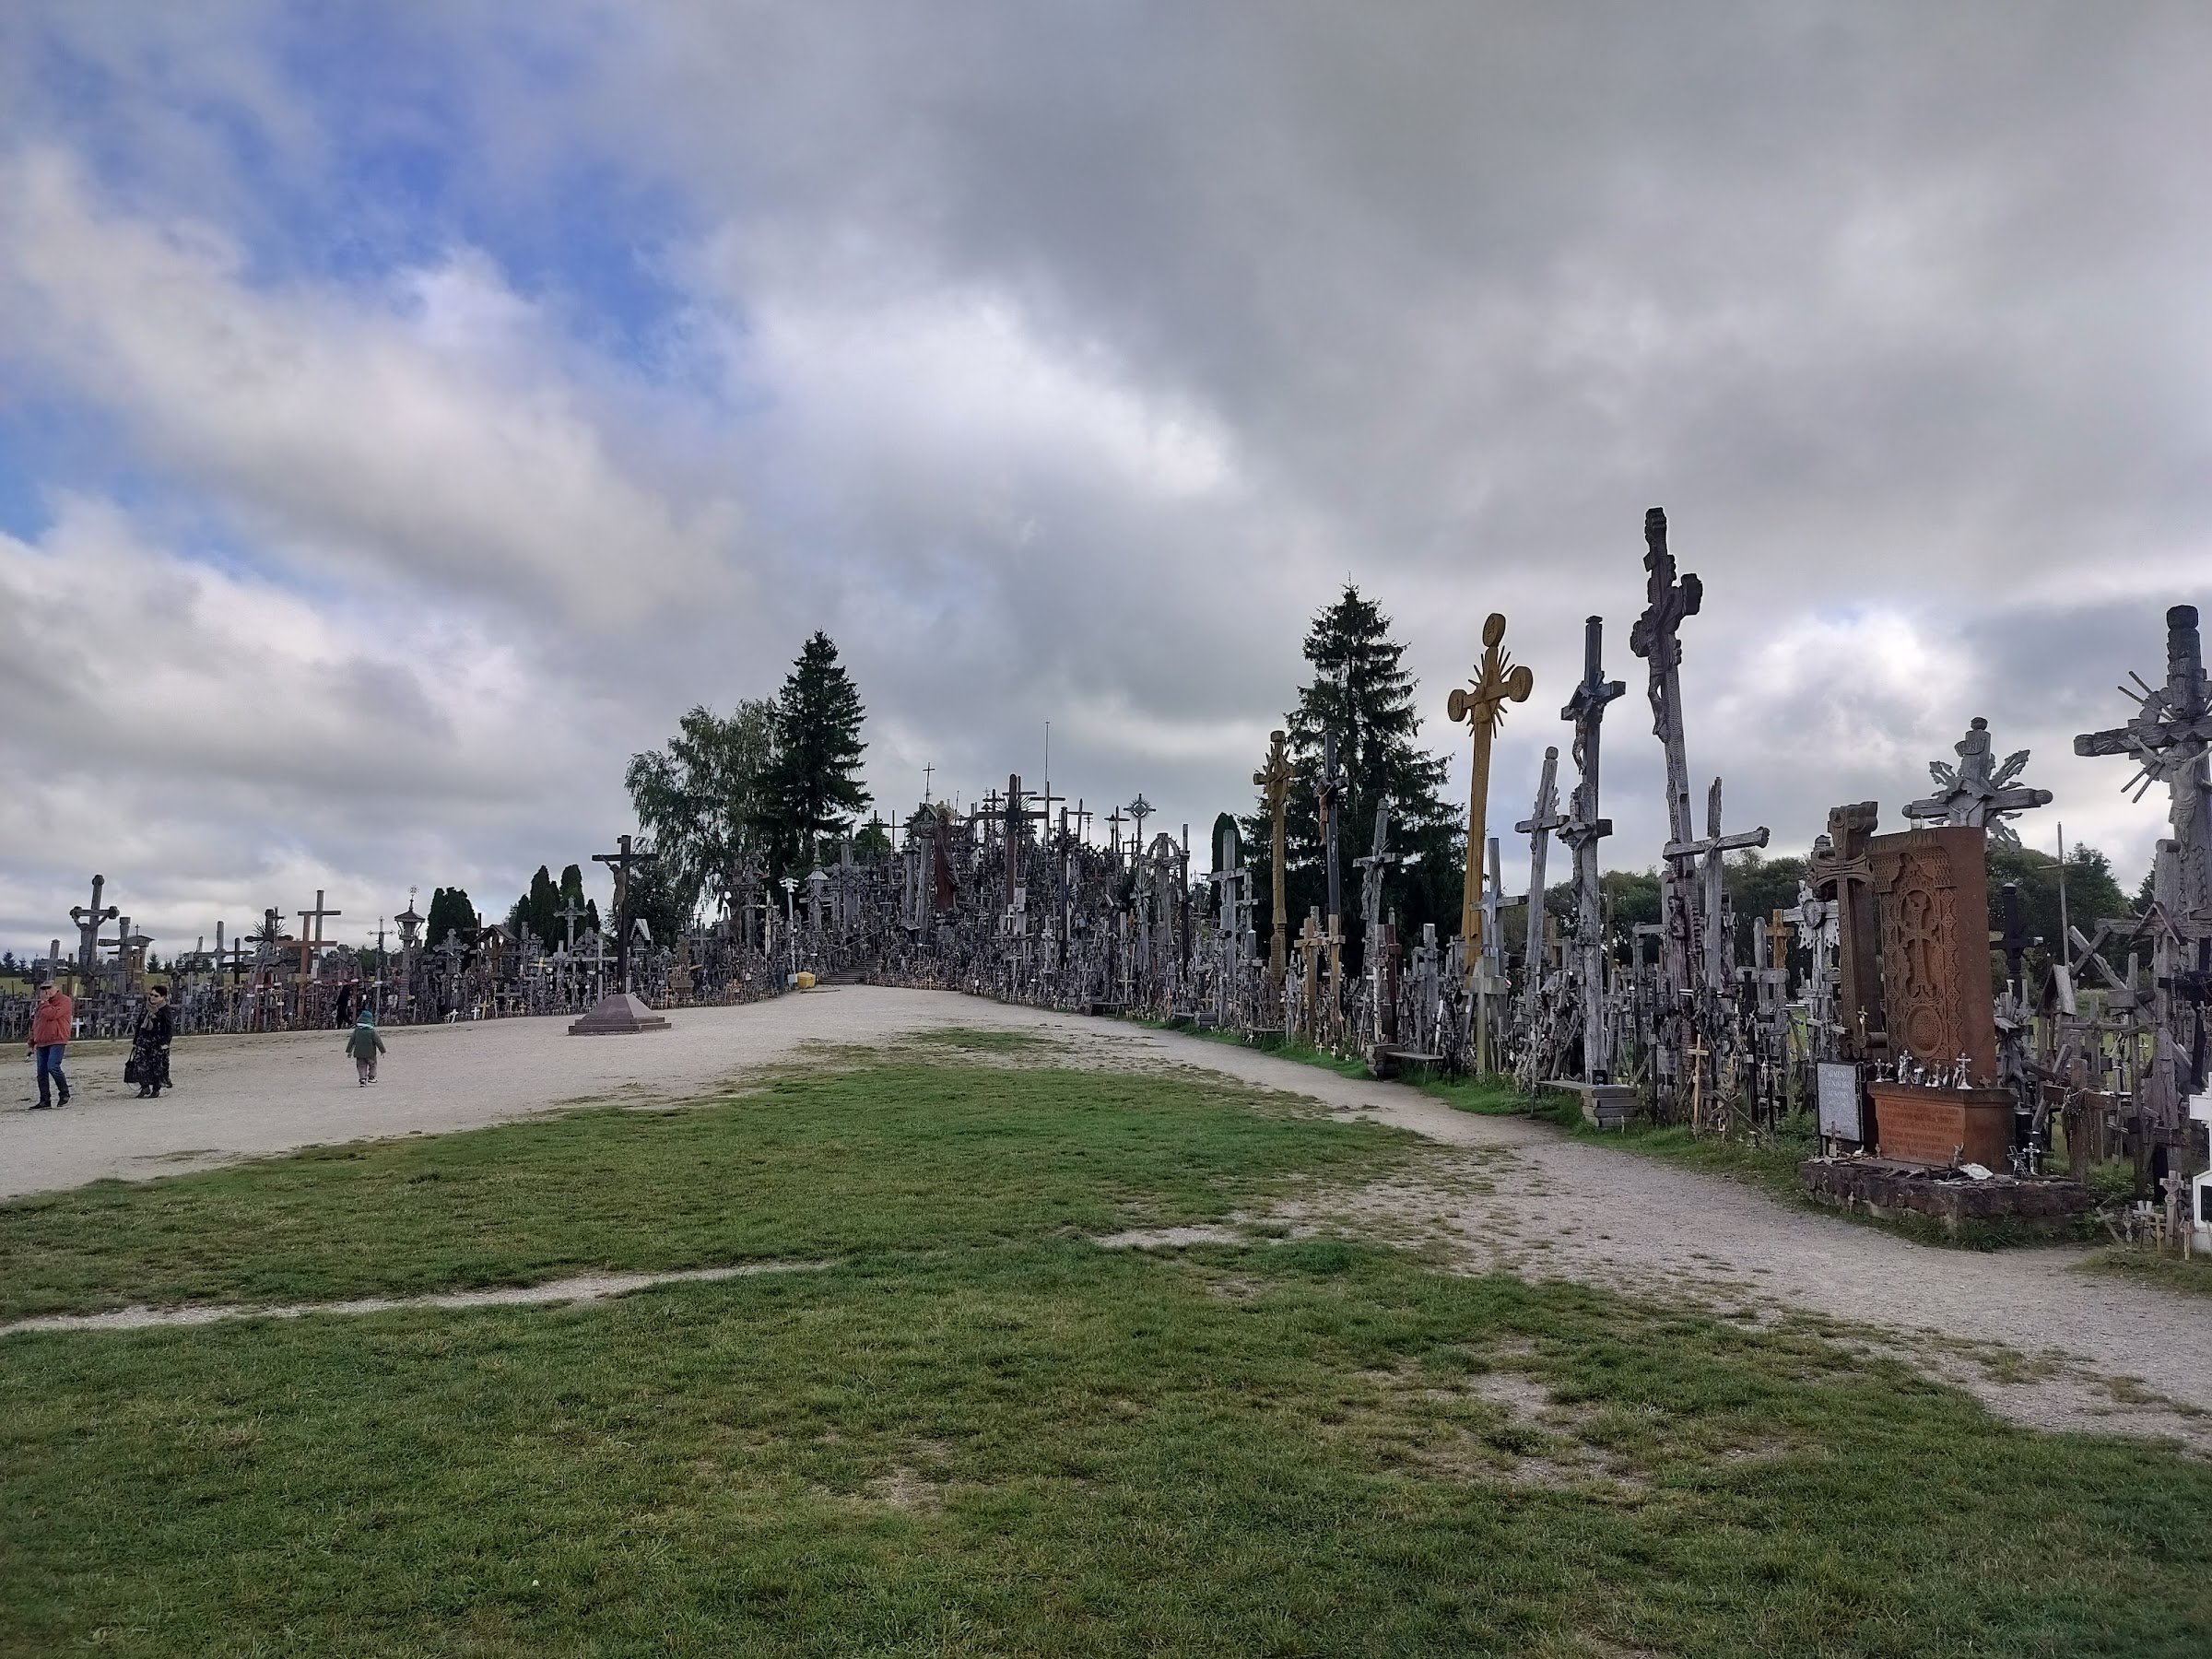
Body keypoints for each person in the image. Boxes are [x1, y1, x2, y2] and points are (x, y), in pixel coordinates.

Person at [25, 979, 73, 1109]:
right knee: (41, 1072)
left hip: (57, 1039)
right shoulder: (41, 1006)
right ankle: (44, 1100)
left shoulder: (64, 1001)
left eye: (49, 988)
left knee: (53, 1066)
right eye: (43, 989)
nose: (46, 991)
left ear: (56, 988)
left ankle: (64, 1093)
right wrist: (31, 1042)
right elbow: (37, 1024)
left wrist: (45, 1003)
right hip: (42, 1041)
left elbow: (53, 1014)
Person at [128, 985, 174, 1099]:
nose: (152, 997)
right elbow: (139, 1023)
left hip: (157, 1041)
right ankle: (144, 1087)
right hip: (143, 1040)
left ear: (162, 997)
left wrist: (165, 1042)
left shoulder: (165, 1010)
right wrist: (136, 1040)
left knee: (157, 1065)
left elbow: (169, 1027)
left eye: (156, 996)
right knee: (140, 1064)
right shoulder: (146, 1007)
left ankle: (156, 1089)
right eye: (151, 995)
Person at [344, 1007, 386, 1085]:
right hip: (371, 1053)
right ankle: (371, 1077)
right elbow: (378, 1041)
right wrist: (382, 1050)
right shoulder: (372, 1031)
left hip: (359, 1053)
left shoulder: (357, 1030)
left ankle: (362, 1079)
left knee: (361, 1066)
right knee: (373, 1064)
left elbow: (351, 1041)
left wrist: (349, 1051)